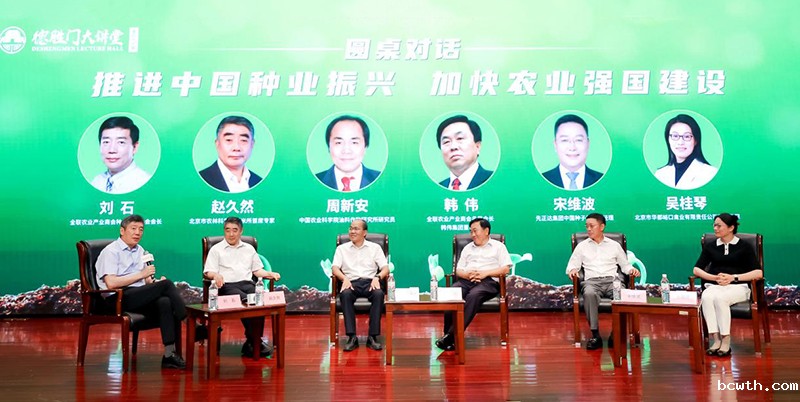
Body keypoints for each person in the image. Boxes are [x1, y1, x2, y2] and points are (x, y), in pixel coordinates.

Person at [95, 214, 187, 369]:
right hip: (117, 298)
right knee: (167, 285)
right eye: (133, 228)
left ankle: (169, 355)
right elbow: (111, 283)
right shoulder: (111, 251)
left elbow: (144, 281)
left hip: (136, 295)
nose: (137, 232)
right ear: (122, 231)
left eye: (141, 229)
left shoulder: (141, 251)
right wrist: (142, 275)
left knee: (164, 301)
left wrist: (153, 283)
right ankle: (189, 322)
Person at [204, 217, 281, 358]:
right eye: (227, 230)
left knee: (259, 300)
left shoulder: (249, 249)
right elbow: (208, 272)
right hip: (227, 286)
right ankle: (254, 341)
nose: (231, 234)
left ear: (241, 231)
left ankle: (252, 341)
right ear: (224, 231)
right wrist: (215, 275)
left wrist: (269, 274)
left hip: (247, 283)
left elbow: (257, 270)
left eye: (235, 230)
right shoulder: (216, 249)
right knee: (247, 301)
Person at [566, 213, 640, 350]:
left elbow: (625, 265)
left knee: (621, 294)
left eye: (591, 226)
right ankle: (595, 335)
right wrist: (572, 270)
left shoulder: (614, 245)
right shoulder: (581, 246)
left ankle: (615, 334)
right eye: (586, 226)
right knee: (589, 294)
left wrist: (632, 270)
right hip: (592, 282)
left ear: (602, 227)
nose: (588, 229)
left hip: (613, 281)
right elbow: (572, 266)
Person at [435, 218, 512, 351]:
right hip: (467, 279)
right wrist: (468, 275)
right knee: (451, 294)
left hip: (489, 281)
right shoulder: (467, 248)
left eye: (475, 231)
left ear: (486, 231)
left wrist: (485, 273)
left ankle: (451, 336)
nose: (473, 234)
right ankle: (449, 337)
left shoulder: (499, 247)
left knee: (474, 295)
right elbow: (458, 270)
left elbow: (505, 269)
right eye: (471, 231)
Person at [692, 213, 762, 357]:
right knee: (706, 297)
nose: (715, 228)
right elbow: (696, 269)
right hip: (715, 286)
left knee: (720, 299)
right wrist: (714, 277)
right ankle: (716, 339)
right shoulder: (711, 246)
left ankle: (726, 340)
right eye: (714, 225)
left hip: (738, 286)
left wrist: (733, 278)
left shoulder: (744, 246)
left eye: (719, 226)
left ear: (731, 228)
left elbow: (758, 273)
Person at [331, 219, 389, 351]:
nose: (352, 231)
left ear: (364, 232)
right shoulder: (342, 249)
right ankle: (352, 337)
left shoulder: (375, 248)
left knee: (378, 294)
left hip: (370, 282)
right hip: (351, 282)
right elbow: (335, 268)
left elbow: (385, 268)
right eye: (351, 228)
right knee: (345, 294)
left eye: (356, 229)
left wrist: (377, 277)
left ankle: (372, 337)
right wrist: (344, 278)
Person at [315, 115, 381, 191]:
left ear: (365, 147)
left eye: (354, 142)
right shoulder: (313, 181)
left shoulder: (381, 180)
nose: (346, 151)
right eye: (339, 142)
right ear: (329, 147)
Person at [199, 116, 262, 193]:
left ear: (252, 144)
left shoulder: (259, 182)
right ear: (217, 144)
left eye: (243, 140)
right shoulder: (200, 180)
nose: (236, 148)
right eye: (229, 140)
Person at [654, 114, 718, 190]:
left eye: (687, 136)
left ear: (695, 141)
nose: (680, 142)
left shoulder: (710, 173)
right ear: (668, 139)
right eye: (675, 136)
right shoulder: (660, 174)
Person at [90, 116, 152, 194]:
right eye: (106, 142)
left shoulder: (145, 183)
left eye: (121, 142)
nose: (112, 150)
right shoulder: (97, 181)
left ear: (134, 147)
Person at [542, 114, 603, 190]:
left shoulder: (603, 180)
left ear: (588, 144)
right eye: (565, 140)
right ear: (555, 145)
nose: (572, 147)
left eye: (578, 140)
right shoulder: (542, 180)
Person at [436, 115, 494, 190]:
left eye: (460, 138)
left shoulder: (494, 180)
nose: (453, 147)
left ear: (477, 147)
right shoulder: (437, 189)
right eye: (446, 141)